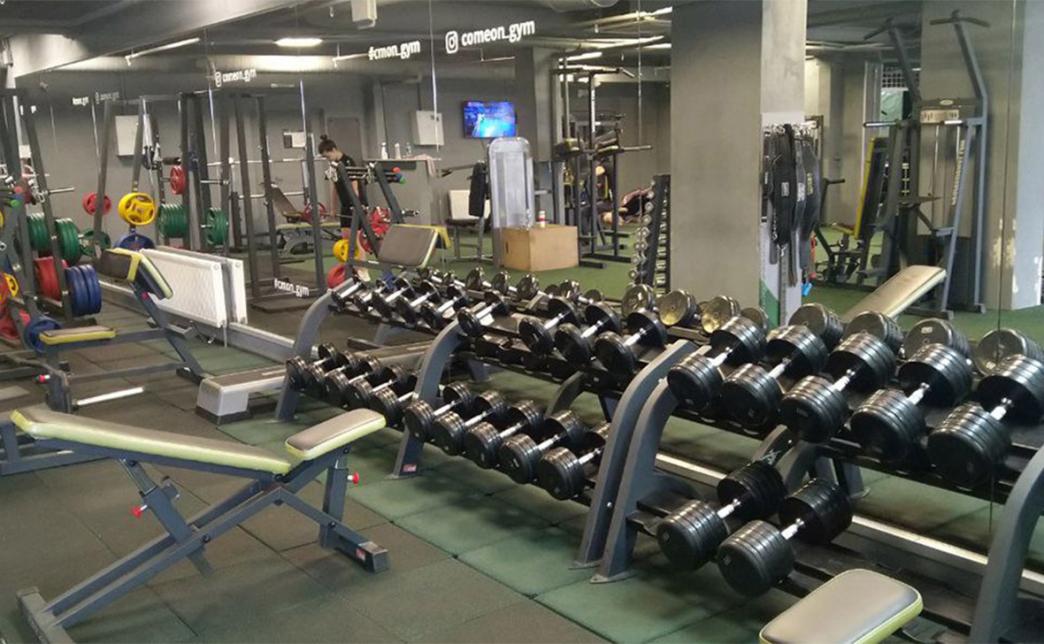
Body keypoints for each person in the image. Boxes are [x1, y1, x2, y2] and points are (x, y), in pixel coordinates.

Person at [318, 135, 366, 228]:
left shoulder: (348, 162)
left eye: (328, 156)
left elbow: (354, 185)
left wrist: (357, 204)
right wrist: (333, 208)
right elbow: (335, 187)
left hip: (354, 204)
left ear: (333, 150)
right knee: (345, 233)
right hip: (345, 204)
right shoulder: (334, 165)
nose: (328, 159)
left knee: (355, 234)